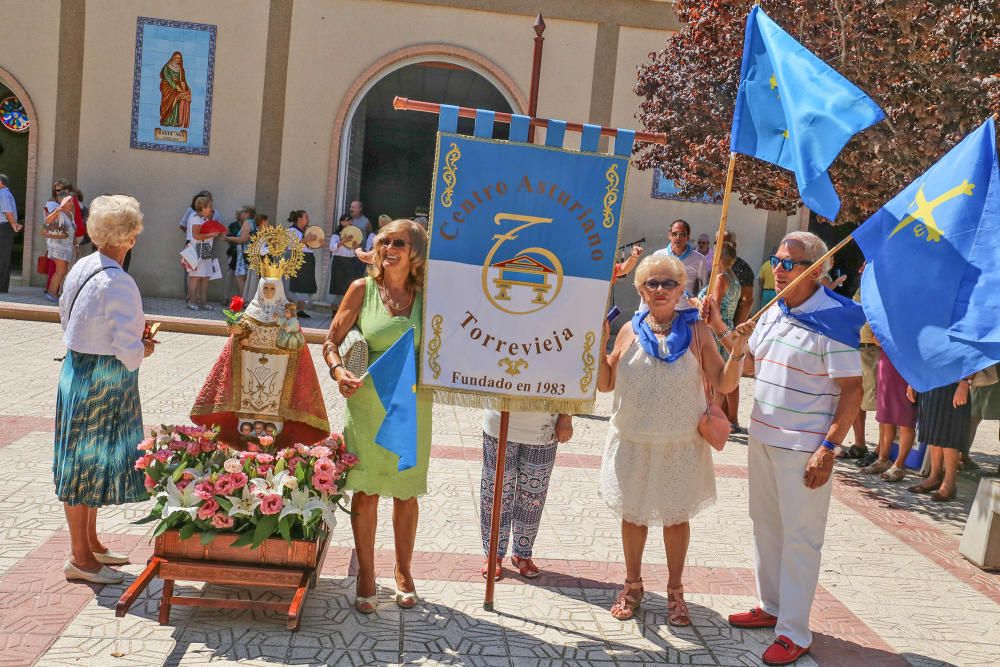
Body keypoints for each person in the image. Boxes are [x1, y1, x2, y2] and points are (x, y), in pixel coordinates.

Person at [710, 231, 862, 666]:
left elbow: (853, 390)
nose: (778, 269)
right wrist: (726, 332)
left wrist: (829, 447)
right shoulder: (774, 310)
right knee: (765, 525)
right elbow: (752, 361)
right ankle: (772, 606)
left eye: (789, 263)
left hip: (803, 447)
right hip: (763, 436)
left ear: (815, 270)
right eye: (776, 260)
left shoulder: (835, 318)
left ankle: (795, 632)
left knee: (801, 539)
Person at [597, 254, 750, 625]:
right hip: (632, 441)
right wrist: (597, 344)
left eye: (669, 283)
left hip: (681, 446)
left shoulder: (697, 331)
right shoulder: (629, 330)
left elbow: (725, 383)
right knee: (633, 517)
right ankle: (632, 586)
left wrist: (738, 348)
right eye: (653, 283)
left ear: (682, 288)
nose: (661, 290)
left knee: (675, 518)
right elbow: (605, 383)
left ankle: (675, 593)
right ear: (640, 289)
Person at [323, 219, 431, 614]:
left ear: (414, 250)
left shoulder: (427, 297)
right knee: (366, 492)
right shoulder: (361, 289)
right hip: (366, 404)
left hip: (410, 407)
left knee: (405, 493)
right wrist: (338, 371)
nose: (388, 248)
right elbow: (331, 341)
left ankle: (404, 573)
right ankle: (366, 574)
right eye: (383, 241)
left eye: (397, 242)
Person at [54, 194, 155, 584]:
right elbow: (127, 348)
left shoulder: (83, 266)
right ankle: (80, 557)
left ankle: (91, 543)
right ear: (129, 237)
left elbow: (66, 313)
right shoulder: (119, 281)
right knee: (84, 466)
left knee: (86, 461)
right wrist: (142, 348)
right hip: (104, 378)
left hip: (78, 369)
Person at [479, 411, 573, 581]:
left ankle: (522, 553)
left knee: (533, 497)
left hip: (543, 426)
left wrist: (566, 416)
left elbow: (571, 383)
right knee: (496, 492)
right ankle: (493, 554)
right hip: (499, 420)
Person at [698, 242, 744, 433]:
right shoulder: (734, 278)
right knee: (732, 374)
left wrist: (696, 301)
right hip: (729, 327)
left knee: (716, 376)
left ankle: (714, 416)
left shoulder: (720, 278)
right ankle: (731, 418)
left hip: (717, 329)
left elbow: (713, 303)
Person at [906, 378, 972, 502]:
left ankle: (950, 482)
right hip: (930, 380)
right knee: (932, 428)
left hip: (955, 381)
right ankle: (934, 477)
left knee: (950, 430)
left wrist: (965, 383)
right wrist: (914, 379)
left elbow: (973, 358)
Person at [860, 351, 916, 482]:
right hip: (887, 363)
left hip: (908, 366)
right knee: (885, 417)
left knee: (905, 420)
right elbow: (876, 338)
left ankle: (899, 465)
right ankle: (882, 460)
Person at [42, 181, 78, 303]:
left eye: (72, 201)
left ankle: (54, 293)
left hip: (66, 246)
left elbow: (72, 230)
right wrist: (58, 210)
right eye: (69, 201)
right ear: (63, 202)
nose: (72, 203)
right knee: (60, 271)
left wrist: (76, 244)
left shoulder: (70, 214)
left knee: (62, 271)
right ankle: (51, 293)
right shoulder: (59, 212)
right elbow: (47, 221)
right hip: (58, 246)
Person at [183, 196, 221, 311]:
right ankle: (192, 302)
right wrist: (212, 234)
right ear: (203, 207)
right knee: (195, 277)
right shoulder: (195, 218)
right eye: (209, 207)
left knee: (205, 276)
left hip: (205, 248)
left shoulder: (204, 218)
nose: (211, 209)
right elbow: (196, 236)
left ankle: (203, 302)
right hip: (196, 250)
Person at [653, 219, 707, 295]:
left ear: (688, 237)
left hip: (688, 306)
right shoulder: (658, 256)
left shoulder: (699, 259)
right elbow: (651, 283)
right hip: (663, 305)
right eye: (674, 234)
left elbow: (703, 286)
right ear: (669, 235)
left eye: (682, 234)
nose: (678, 237)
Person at [329, 213, 366, 308]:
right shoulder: (336, 235)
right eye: (347, 220)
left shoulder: (355, 234)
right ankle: (334, 310)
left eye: (350, 220)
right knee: (337, 287)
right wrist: (343, 241)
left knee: (348, 287)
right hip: (338, 262)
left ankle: (344, 309)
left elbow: (356, 251)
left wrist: (356, 248)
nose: (349, 222)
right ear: (342, 222)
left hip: (351, 262)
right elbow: (332, 248)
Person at [286, 210, 317, 317]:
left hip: (308, 258)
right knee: (295, 283)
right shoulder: (292, 230)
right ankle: (291, 310)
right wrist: (306, 239)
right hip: (297, 258)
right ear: (299, 219)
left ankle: (301, 310)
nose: (308, 219)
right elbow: (291, 245)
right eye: (306, 217)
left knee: (305, 283)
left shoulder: (307, 230)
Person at [723, 231, 756, 325]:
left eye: (724, 242)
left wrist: (736, 328)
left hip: (731, 326)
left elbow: (747, 301)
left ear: (734, 245)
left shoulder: (743, 268)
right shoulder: (715, 266)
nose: (719, 245)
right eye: (716, 242)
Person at [225, 206, 256, 296]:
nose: (241, 214)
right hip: (247, 253)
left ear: (247, 213)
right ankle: (245, 300)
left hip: (243, 254)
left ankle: (244, 300)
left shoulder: (247, 222)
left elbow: (243, 239)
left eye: (243, 212)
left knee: (240, 277)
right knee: (245, 278)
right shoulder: (252, 222)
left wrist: (228, 238)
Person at [0, 174, 22, 293]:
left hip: (4, 228)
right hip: (4, 227)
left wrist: (14, 225)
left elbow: (8, 212)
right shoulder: (5, 194)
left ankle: (2, 287)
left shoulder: (3, 194)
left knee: (3, 257)